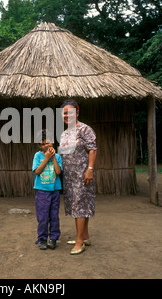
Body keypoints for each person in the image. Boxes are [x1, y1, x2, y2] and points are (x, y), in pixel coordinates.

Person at [59, 99, 97, 255]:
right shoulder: (65, 133)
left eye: (70, 112)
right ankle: (85, 236)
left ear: (77, 112)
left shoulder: (85, 129)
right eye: (64, 113)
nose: (67, 115)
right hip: (69, 177)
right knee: (81, 206)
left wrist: (89, 169)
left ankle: (79, 241)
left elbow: (93, 149)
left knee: (79, 207)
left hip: (82, 175)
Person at [32, 130, 62, 250]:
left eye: (49, 142)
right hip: (42, 191)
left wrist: (53, 157)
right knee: (43, 216)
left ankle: (53, 238)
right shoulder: (37, 156)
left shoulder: (58, 156)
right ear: (40, 145)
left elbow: (58, 172)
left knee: (54, 215)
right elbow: (37, 171)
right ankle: (42, 239)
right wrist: (46, 158)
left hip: (54, 190)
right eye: (44, 144)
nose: (47, 145)